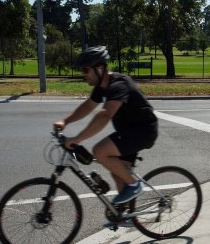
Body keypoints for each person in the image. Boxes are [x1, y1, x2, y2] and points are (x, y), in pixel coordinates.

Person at [53, 46, 158, 204]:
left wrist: (78, 138)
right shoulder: (101, 88)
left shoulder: (119, 85)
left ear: (99, 68)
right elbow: (88, 106)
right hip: (128, 131)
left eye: (85, 70)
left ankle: (135, 185)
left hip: (142, 131)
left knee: (100, 151)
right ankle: (124, 215)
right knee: (118, 172)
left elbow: (104, 115)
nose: (83, 74)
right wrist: (65, 121)